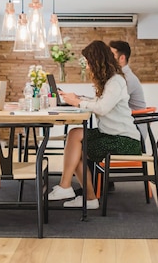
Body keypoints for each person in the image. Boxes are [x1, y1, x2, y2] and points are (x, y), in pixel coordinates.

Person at [47, 40, 142, 209]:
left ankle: (81, 194)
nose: (88, 67)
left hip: (124, 141)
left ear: (98, 61)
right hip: (111, 135)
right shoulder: (111, 81)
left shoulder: (116, 81)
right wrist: (79, 98)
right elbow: (101, 102)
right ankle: (71, 189)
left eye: (89, 63)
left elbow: (103, 108)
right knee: (75, 134)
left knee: (78, 150)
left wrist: (77, 103)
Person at [109, 40, 146, 110]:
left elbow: (109, 101)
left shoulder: (127, 78)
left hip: (135, 119)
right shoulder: (118, 76)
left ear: (122, 58)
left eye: (111, 55)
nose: (108, 58)